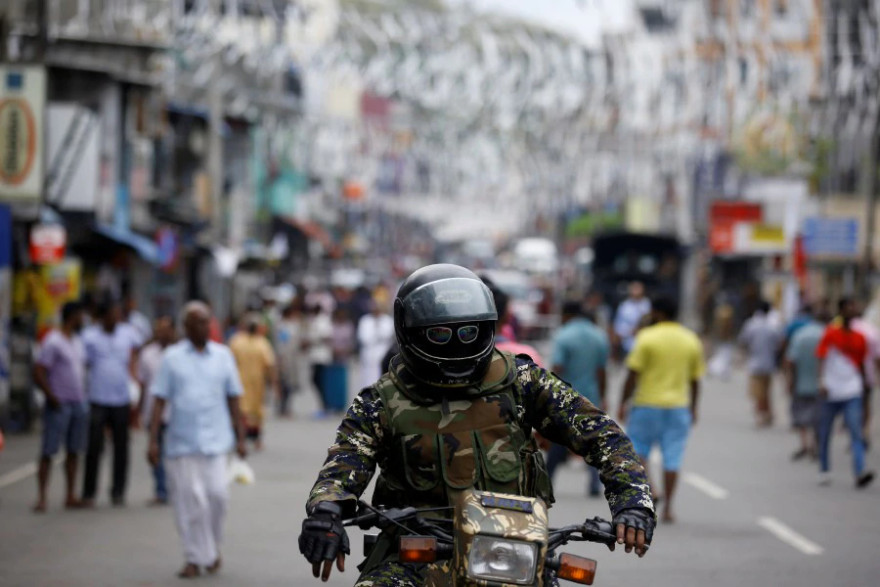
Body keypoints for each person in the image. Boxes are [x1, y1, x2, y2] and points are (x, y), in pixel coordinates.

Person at [299, 264, 655, 586]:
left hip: (515, 550)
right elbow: (342, 466)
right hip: (414, 555)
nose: (455, 343)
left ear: (486, 328)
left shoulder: (522, 381)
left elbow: (602, 435)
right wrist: (327, 511)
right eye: (439, 334)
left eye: (468, 332)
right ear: (412, 332)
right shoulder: (380, 401)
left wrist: (633, 502)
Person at [147, 301, 247, 579]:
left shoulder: (223, 355)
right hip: (182, 443)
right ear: (187, 327)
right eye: (198, 322)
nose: (205, 327)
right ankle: (193, 556)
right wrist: (153, 440)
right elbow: (158, 400)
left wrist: (242, 437)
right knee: (192, 503)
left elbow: (234, 398)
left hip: (216, 442)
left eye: (207, 321)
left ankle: (212, 549)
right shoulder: (172, 358)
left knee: (218, 498)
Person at [618, 296, 704, 524]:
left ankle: (652, 489)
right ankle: (669, 509)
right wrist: (694, 407)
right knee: (672, 458)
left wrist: (623, 401)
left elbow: (632, 374)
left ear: (657, 312)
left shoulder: (646, 338)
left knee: (637, 451)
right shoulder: (690, 339)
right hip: (678, 408)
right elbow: (696, 380)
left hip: (647, 404)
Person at [81, 299, 143, 507]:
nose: (116, 318)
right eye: (112, 315)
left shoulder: (128, 333)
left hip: (121, 398)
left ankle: (118, 490)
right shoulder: (90, 336)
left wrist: (134, 376)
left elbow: (137, 351)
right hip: (97, 398)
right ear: (103, 317)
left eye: (118, 314)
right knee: (94, 446)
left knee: (121, 447)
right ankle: (89, 492)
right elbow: (84, 363)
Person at [547, 301, 610, 497]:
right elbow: (601, 371)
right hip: (590, 397)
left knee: (558, 440)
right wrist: (603, 396)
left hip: (566, 398)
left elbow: (557, 367)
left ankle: (547, 481)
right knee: (591, 441)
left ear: (567, 315)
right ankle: (593, 484)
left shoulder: (563, 336)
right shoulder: (599, 336)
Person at [32, 302, 88, 512]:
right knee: (49, 451)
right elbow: (38, 371)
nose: (83, 319)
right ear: (72, 316)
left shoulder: (77, 342)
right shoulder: (53, 341)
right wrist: (51, 396)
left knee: (74, 451)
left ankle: (70, 495)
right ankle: (42, 497)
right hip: (59, 404)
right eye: (81, 315)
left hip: (78, 403)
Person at [816, 298, 875, 488]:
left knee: (856, 433)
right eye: (849, 307)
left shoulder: (860, 337)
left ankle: (860, 472)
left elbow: (862, 365)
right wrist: (822, 381)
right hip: (831, 390)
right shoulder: (831, 334)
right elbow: (822, 359)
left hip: (852, 390)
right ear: (841, 310)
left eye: (854, 306)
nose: (853, 310)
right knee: (825, 433)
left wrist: (866, 386)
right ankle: (824, 469)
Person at [137, 316, 176, 505]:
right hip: (152, 411)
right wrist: (138, 409)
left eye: (166, 329)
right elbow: (143, 384)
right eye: (159, 329)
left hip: (175, 412)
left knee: (172, 453)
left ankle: (174, 488)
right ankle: (161, 490)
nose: (162, 333)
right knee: (155, 449)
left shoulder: (179, 354)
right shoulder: (147, 354)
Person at [229, 314, 278, 451]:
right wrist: (274, 383)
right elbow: (270, 365)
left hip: (243, 382)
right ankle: (254, 440)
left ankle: (242, 438)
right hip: (255, 383)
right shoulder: (261, 343)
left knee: (243, 410)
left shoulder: (237, 341)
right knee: (255, 412)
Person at [784, 308, 824, 461]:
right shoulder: (824, 334)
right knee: (817, 417)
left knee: (801, 415)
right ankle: (815, 445)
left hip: (801, 382)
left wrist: (789, 380)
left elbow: (790, 360)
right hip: (820, 383)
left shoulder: (799, 336)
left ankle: (804, 444)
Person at [738, 301, 783, 427]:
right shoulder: (773, 326)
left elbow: (743, 341)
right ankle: (767, 414)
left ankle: (760, 416)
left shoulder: (750, 324)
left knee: (757, 393)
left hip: (755, 363)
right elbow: (779, 344)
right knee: (767, 391)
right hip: (769, 363)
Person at [276, 300, 305, 417]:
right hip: (284, 357)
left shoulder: (295, 325)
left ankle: (288, 406)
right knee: (283, 383)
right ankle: (282, 407)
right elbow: (281, 343)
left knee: (291, 384)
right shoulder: (281, 326)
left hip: (293, 358)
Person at [357, 299, 395, 390]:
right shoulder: (365, 320)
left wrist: (378, 329)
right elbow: (363, 337)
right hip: (368, 354)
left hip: (382, 352)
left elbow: (387, 335)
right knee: (367, 378)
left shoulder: (387, 320)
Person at [305, 303, 333, 417]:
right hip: (314, 356)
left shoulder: (324, 320)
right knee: (316, 381)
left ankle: (325, 407)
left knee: (319, 381)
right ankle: (323, 406)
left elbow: (327, 337)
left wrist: (313, 340)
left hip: (321, 356)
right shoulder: (314, 320)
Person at [613, 281, 651, 357]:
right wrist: (630, 331)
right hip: (628, 345)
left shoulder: (647, 304)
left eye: (638, 288)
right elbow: (618, 327)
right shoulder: (624, 306)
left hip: (646, 344)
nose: (635, 291)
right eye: (634, 288)